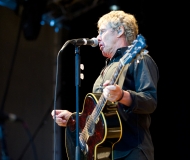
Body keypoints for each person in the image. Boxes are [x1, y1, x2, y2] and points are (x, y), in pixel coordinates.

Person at [51, 10, 159, 160]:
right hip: (105, 153)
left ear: (120, 31)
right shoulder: (105, 70)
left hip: (132, 151)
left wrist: (122, 95)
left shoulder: (140, 59)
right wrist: (74, 118)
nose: (97, 38)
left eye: (102, 32)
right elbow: (101, 115)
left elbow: (150, 101)